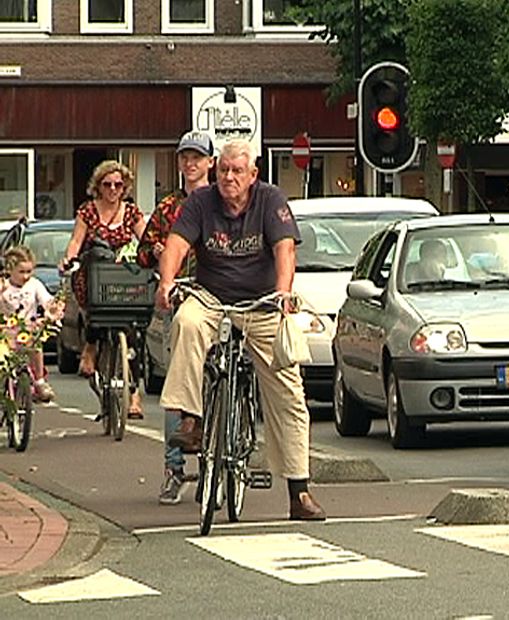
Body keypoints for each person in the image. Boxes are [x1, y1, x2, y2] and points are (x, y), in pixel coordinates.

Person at [156, 139, 325, 521]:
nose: (229, 178)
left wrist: (283, 293)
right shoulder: (200, 202)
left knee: (288, 390)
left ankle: (299, 492)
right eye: (223, 171)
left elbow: (285, 250)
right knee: (186, 321)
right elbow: (176, 245)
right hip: (211, 297)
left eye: (237, 171)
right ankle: (191, 420)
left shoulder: (271, 200)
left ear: (253, 175)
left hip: (261, 302)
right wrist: (167, 283)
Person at [137, 131, 215, 506]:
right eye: (185, 157)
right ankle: (174, 469)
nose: (190, 164)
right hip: (180, 297)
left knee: (220, 376)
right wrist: (155, 252)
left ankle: (217, 462)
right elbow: (142, 255)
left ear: (210, 163)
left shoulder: (224, 202)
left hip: (217, 298)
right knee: (177, 386)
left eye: (197, 157)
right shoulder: (169, 208)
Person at [59, 159, 147, 416]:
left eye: (118, 185)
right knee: (97, 275)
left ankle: (134, 396)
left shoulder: (131, 213)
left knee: (132, 335)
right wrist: (69, 259)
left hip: (121, 276)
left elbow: (146, 239)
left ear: (125, 187)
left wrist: (156, 252)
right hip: (93, 272)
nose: (112, 190)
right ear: (98, 186)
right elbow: (76, 241)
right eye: (107, 184)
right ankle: (90, 345)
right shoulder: (87, 211)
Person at [0, 246, 64, 402]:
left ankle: (40, 381)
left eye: (29, 271)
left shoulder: (34, 285)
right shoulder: (3, 286)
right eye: (21, 272)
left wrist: (53, 309)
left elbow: (47, 301)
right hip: (6, 331)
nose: (26, 276)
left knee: (35, 344)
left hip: (28, 329)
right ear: (10, 269)